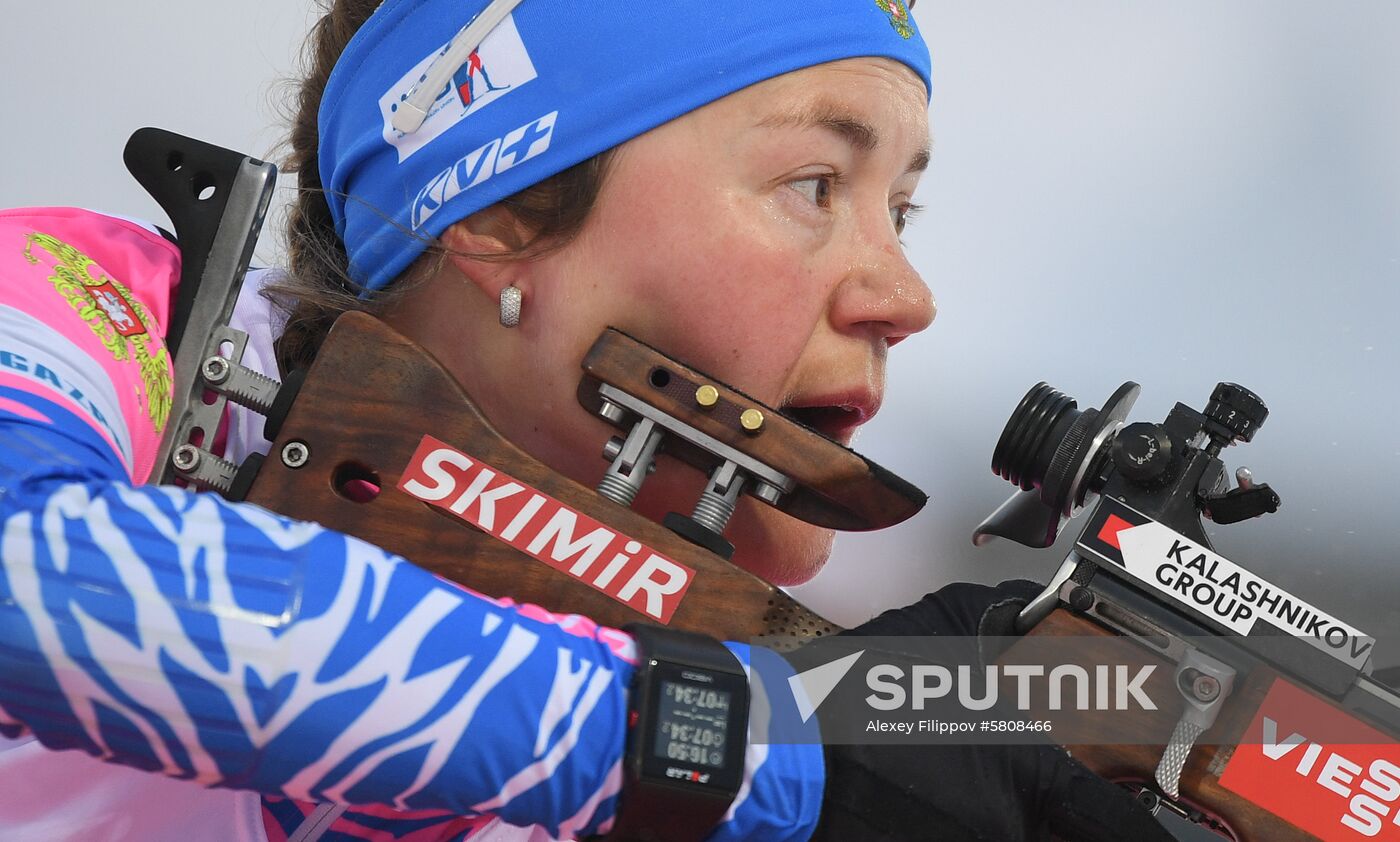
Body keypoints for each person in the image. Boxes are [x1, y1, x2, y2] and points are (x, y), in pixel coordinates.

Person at [0, 1, 1176, 840]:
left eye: (901, 212)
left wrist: (893, 738)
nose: (903, 297)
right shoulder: (94, 310)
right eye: (814, 185)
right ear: (502, 207)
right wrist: (756, 747)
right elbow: (28, 572)